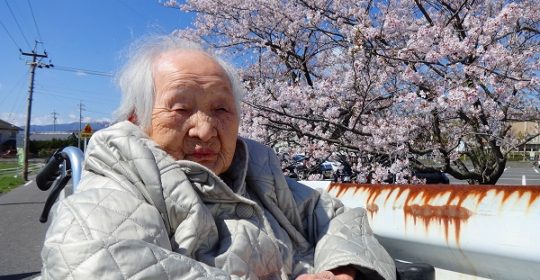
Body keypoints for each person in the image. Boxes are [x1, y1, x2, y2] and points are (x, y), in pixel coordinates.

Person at [40, 34, 396, 280]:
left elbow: (336, 216)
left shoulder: (260, 178)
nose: (206, 130)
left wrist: (343, 269)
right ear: (138, 120)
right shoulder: (115, 194)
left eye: (221, 108)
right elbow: (88, 263)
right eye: (181, 108)